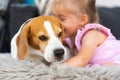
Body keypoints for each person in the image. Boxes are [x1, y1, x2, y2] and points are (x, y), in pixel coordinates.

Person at [51, 0, 120, 67]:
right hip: (98, 65)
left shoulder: (91, 34)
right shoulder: (69, 37)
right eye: (53, 17)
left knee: (109, 67)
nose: (55, 23)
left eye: (62, 19)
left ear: (82, 20)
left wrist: (57, 68)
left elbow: (82, 59)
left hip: (116, 59)